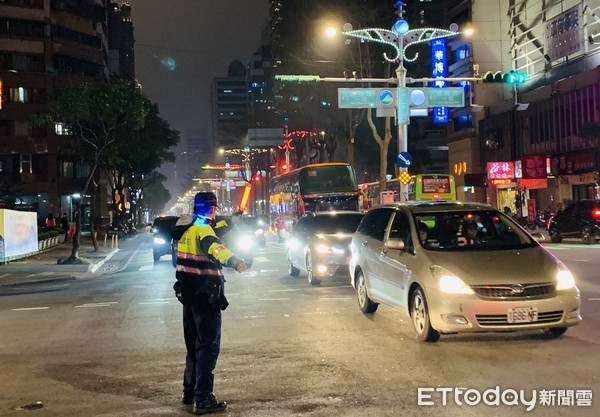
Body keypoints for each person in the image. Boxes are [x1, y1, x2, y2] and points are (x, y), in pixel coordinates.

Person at [174, 192, 248, 415]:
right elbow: (214, 247)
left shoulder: (187, 228)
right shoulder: (204, 230)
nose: (215, 211)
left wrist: (231, 221)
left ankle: (190, 392)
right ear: (210, 208)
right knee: (208, 345)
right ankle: (203, 398)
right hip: (205, 294)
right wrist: (235, 261)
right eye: (214, 208)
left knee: (193, 346)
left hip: (188, 293)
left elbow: (213, 235)